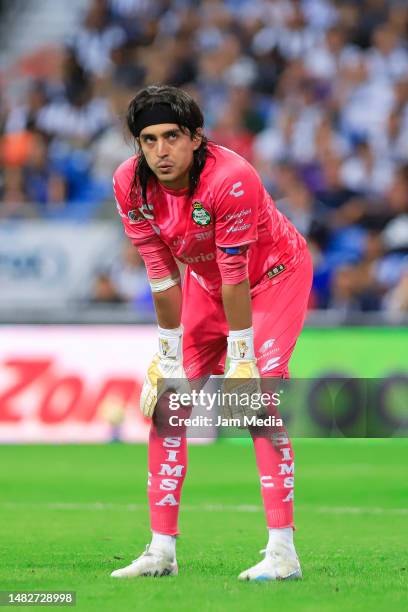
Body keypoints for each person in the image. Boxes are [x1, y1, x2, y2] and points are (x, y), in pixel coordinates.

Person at [110, 85, 312, 581]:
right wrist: (167, 354)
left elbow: (237, 271)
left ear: (196, 138)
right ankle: (161, 552)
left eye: (172, 137)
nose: (160, 151)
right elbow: (160, 271)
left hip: (273, 278)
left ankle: (283, 553)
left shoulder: (233, 178)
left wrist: (242, 357)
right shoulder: (129, 184)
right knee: (169, 403)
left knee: (254, 402)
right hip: (206, 282)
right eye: (148, 139)